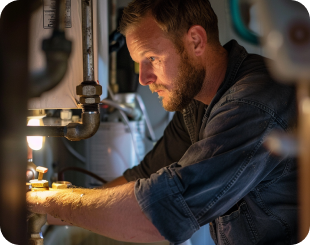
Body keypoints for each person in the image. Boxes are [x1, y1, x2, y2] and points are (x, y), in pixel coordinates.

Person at [27, 0, 298, 244]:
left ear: (195, 41)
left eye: (152, 59)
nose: (144, 78)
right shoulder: (198, 103)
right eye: (138, 64)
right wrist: (43, 211)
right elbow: (144, 174)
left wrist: (49, 202)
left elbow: (159, 215)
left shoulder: (252, 105)